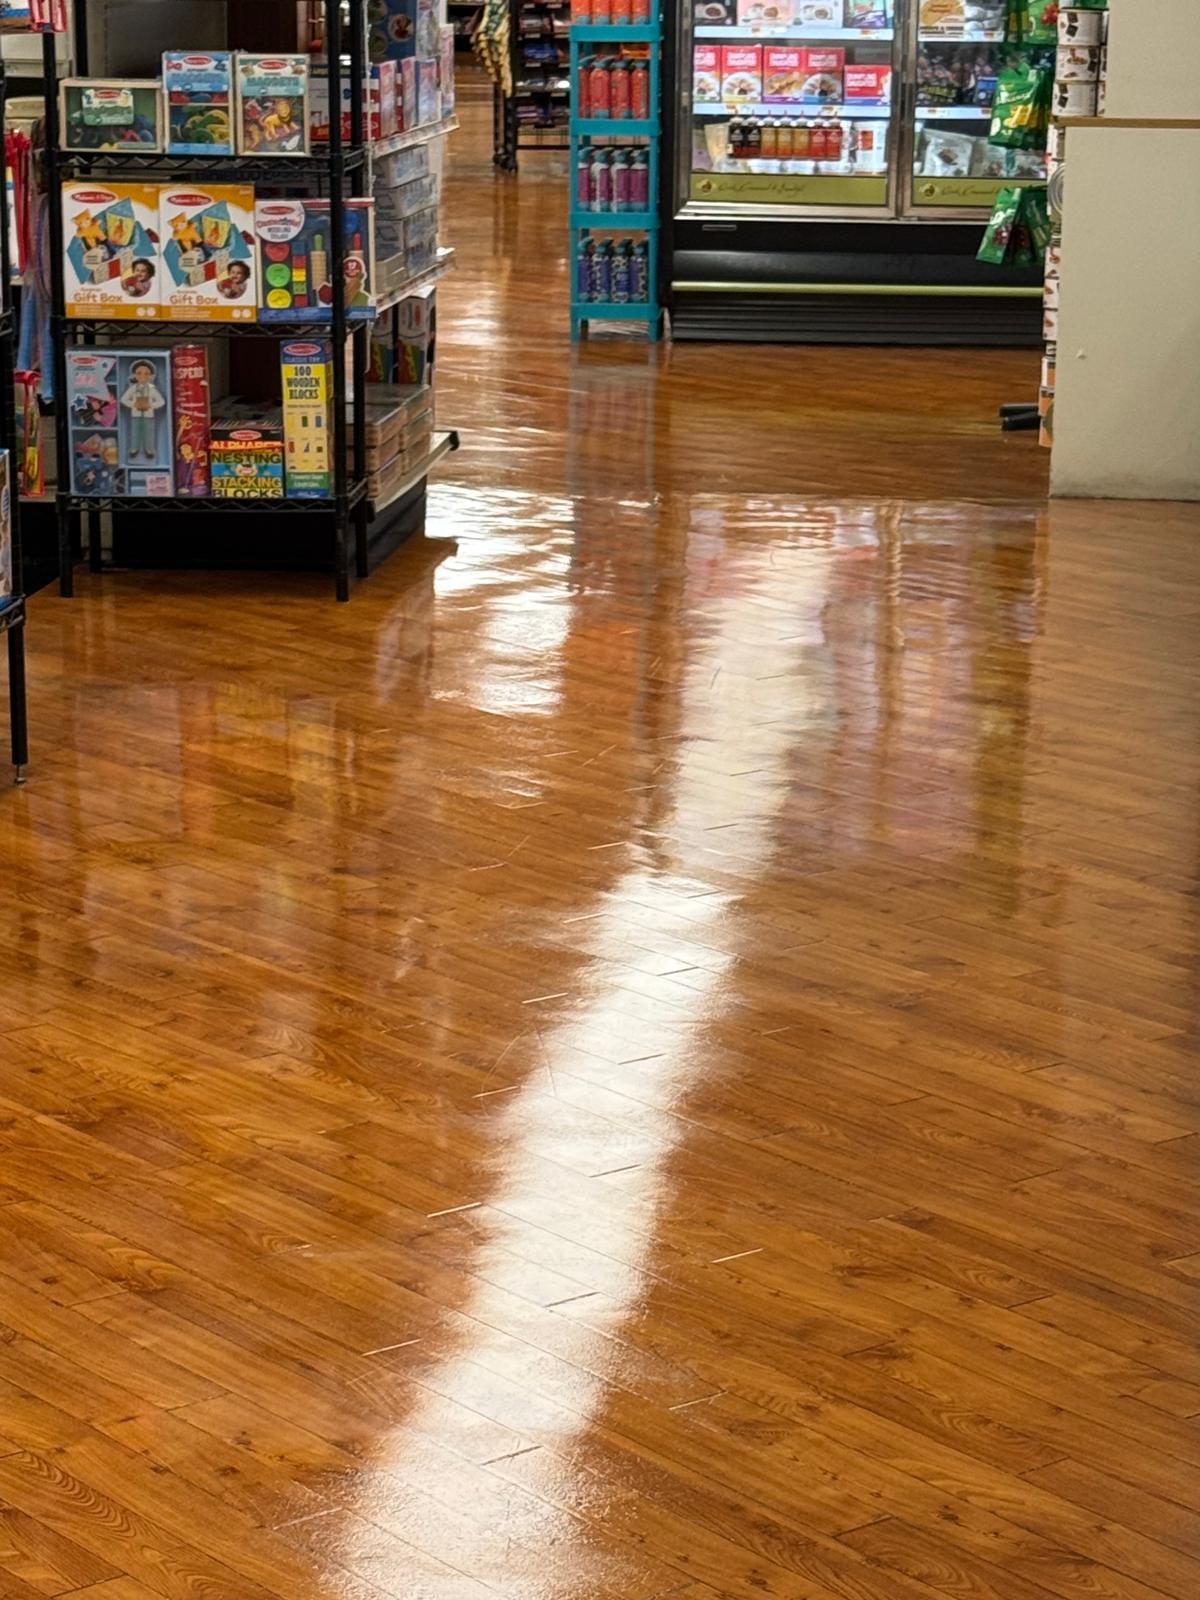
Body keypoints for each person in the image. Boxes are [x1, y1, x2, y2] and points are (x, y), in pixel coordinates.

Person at [120, 359, 166, 461]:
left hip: (149, 416)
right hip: (135, 415)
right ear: (134, 375)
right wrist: (133, 404)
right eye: (139, 373)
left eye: (146, 374)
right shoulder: (133, 388)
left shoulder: (151, 389)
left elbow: (161, 401)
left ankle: (149, 450)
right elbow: (123, 399)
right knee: (134, 432)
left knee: (149, 432)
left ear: (151, 376)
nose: (143, 376)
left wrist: (150, 405)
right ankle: (134, 449)